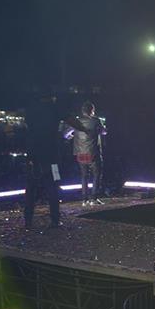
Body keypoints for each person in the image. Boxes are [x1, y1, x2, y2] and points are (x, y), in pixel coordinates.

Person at [23, 91, 88, 229]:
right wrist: (85, 129)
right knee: (53, 184)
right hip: (51, 153)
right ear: (51, 97)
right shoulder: (54, 108)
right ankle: (55, 219)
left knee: (31, 186)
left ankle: (28, 220)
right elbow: (72, 121)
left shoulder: (31, 108)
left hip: (32, 153)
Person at [70, 101, 107, 206]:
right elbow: (104, 131)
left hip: (80, 153)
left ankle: (84, 200)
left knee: (84, 176)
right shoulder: (96, 121)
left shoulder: (76, 121)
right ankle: (93, 199)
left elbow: (66, 134)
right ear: (92, 111)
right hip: (92, 153)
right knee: (96, 175)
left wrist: (73, 135)